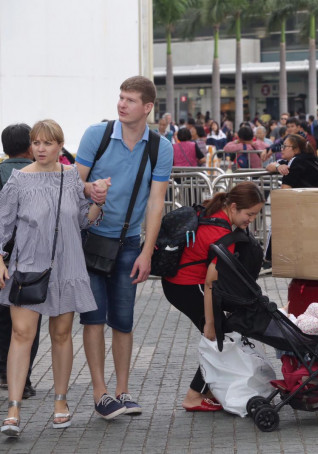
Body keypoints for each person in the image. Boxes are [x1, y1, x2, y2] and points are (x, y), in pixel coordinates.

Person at [76, 76, 173, 420]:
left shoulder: (160, 147)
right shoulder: (96, 135)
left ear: (147, 108)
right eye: (120, 98)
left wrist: (147, 252)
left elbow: (156, 203)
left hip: (130, 243)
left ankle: (123, 390)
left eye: (130, 100)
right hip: (90, 240)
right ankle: (101, 393)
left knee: (124, 321)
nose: (121, 104)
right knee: (94, 318)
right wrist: (91, 190)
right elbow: (75, 182)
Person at [0, 120, 105, 437]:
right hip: (28, 266)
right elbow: (2, 225)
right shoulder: (18, 180)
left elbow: (84, 220)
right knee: (21, 334)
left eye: (48, 143)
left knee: (61, 336)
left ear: (60, 146)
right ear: (30, 146)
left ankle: (61, 402)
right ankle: (13, 409)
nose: (41, 148)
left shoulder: (71, 177)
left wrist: (98, 202)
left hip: (67, 267)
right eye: (36, 142)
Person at [162, 182, 265, 412]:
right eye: (249, 214)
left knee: (220, 335)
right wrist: (210, 323)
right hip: (188, 286)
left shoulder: (215, 210)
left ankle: (210, 391)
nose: (252, 219)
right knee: (219, 337)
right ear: (234, 207)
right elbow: (210, 283)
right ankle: (193, 396)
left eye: (256, 214)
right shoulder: (222, 234)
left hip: (178, 283)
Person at [0, 124, 39, 399]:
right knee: (27, 321)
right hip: (28, 257)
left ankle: (3, 372)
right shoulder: (39, 173)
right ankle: (21, 379)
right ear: (30, 146)